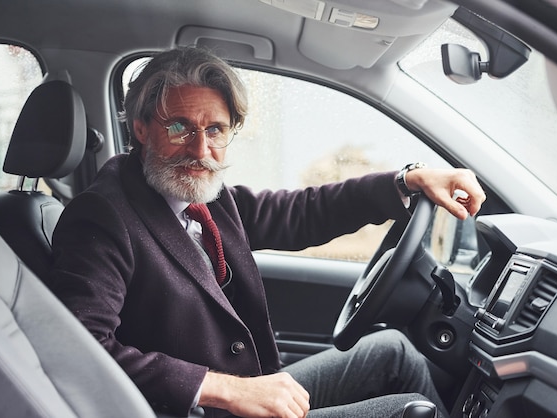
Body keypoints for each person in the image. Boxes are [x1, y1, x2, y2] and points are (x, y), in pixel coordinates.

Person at [48, 46, 486, 418]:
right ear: (141, 129)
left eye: (215, 129)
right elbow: (78, 350)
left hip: (245, 386)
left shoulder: (205, 199)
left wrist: (407, 181)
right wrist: (225, 389)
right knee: (406, 409)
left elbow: (302, 213)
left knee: (391, 350)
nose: (200, 150)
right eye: (179, 127)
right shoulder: (102, 216)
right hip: (199, 408)